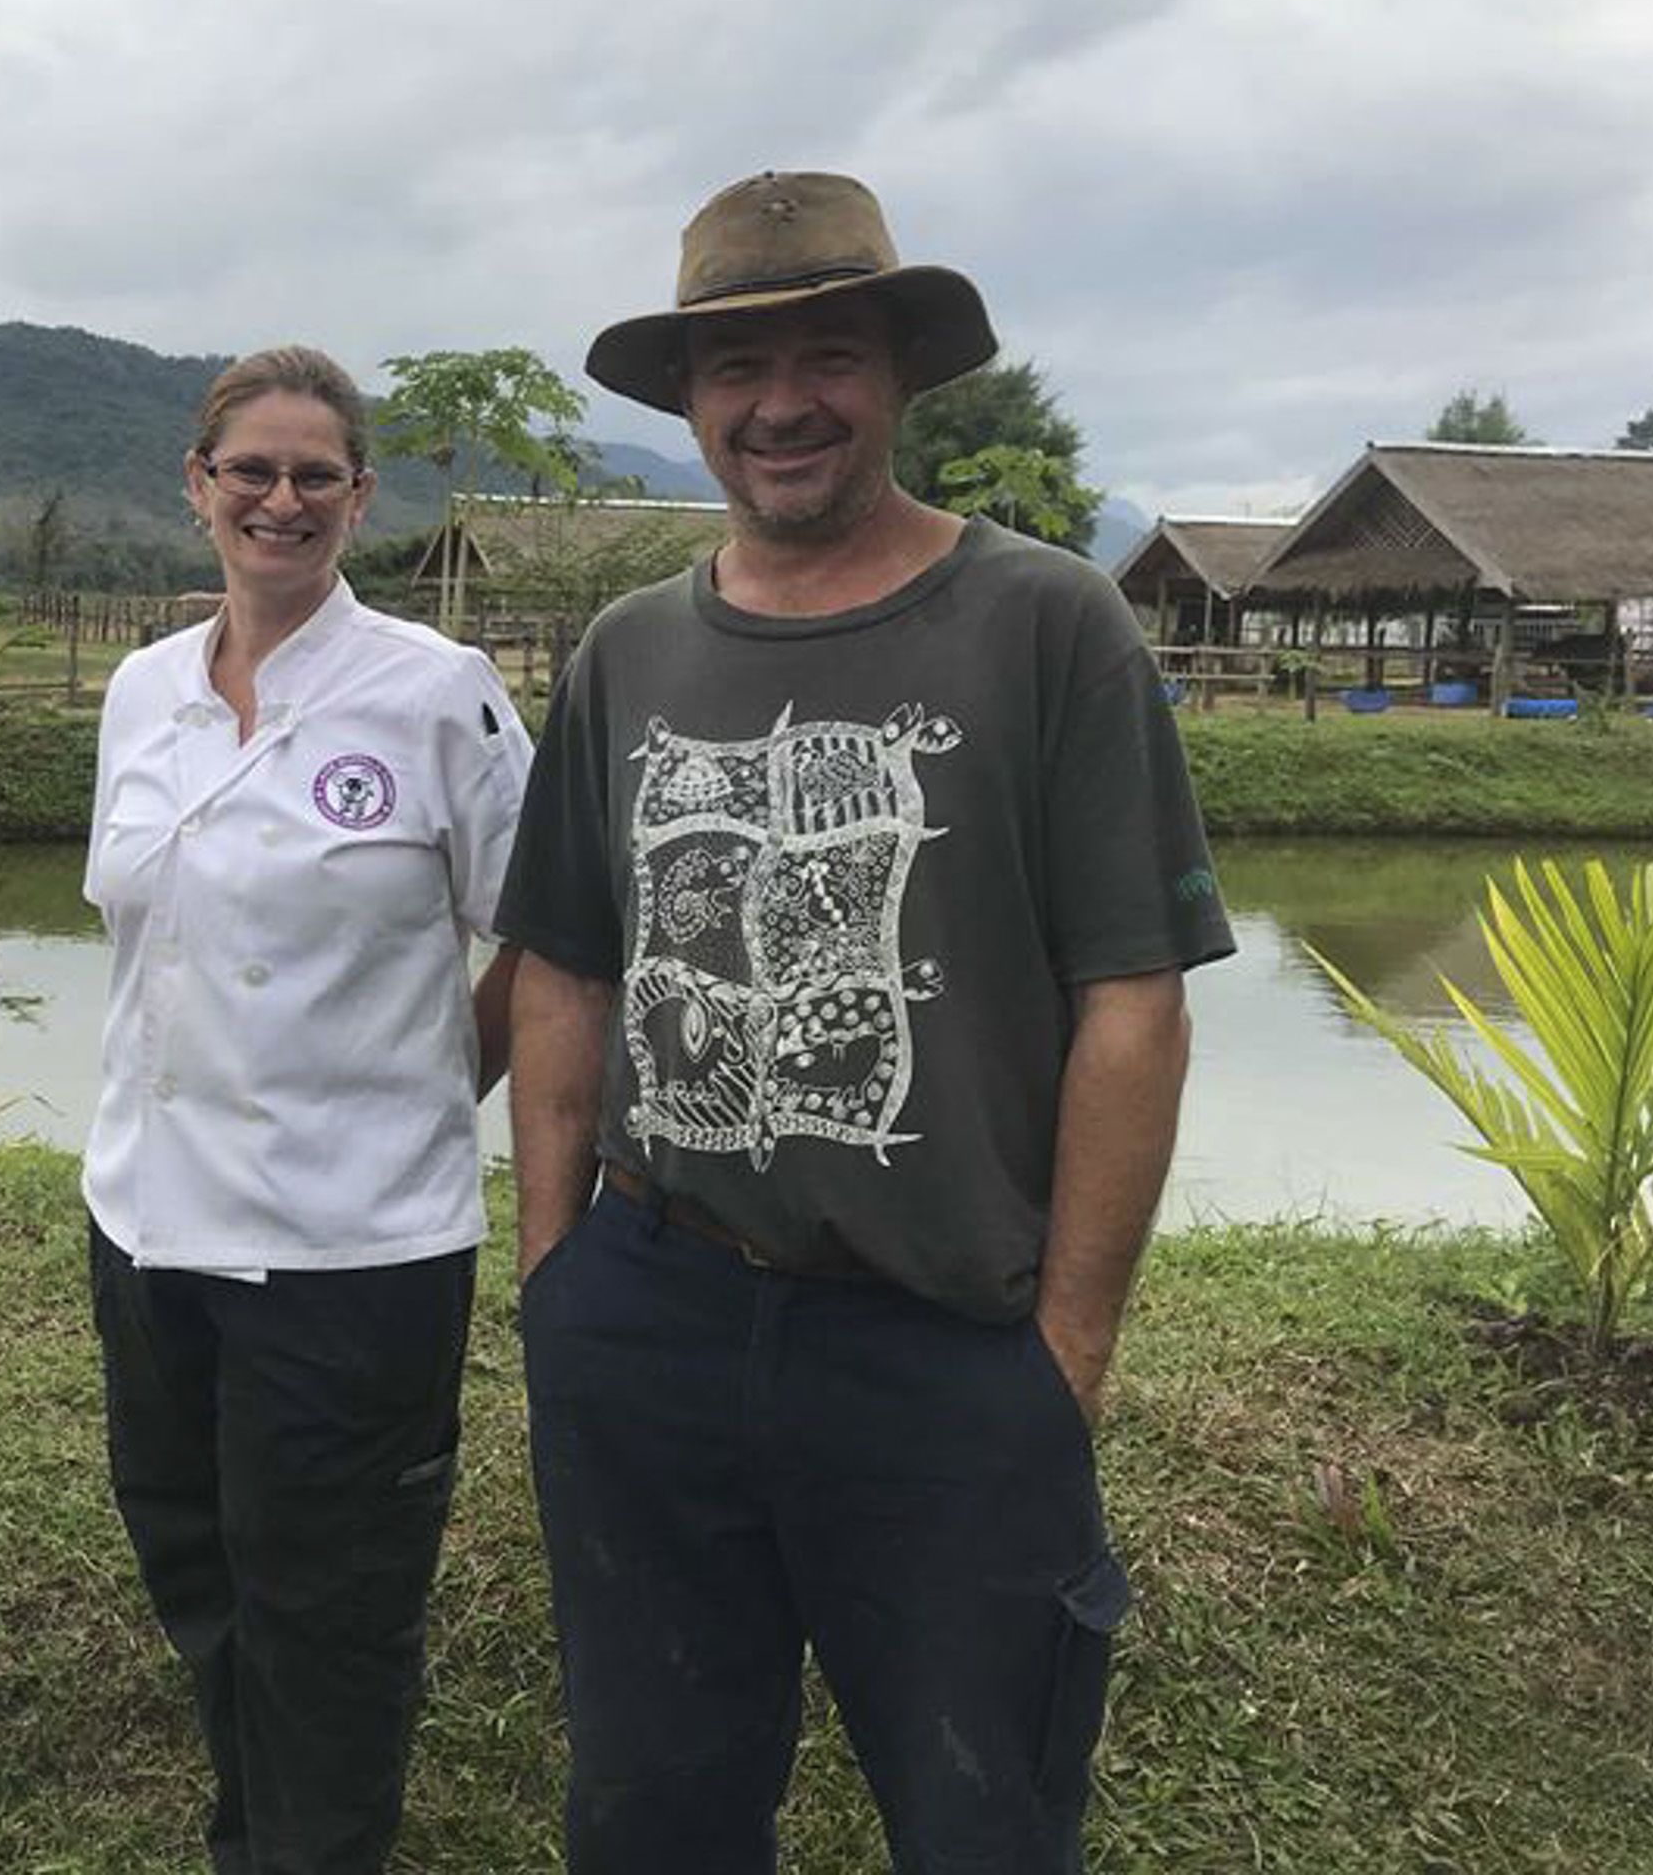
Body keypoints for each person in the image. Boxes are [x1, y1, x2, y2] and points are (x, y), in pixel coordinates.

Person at [497, 173, 1237, 1873]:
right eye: (732, 370)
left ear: (900, 372)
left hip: (950, 1354)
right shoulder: (627, 653)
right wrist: (560, 1284)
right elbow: (564, 976)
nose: (778, 405)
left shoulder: (1050, 624)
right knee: (650, 1811)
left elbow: (1132, 1005)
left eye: (826, 352)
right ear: (687, 402)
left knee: (984, 1820)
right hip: (655, 1316)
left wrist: (1064, 1358)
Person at [84, 345, 532, 1875]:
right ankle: (252, 1834)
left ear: (360, 496)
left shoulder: (433, 693)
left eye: (314, 475)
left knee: (330, 1618)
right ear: (197, 484)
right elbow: (147, 944)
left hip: (352, 1256)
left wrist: (429, 1082)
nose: (281, 500)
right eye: (251, 471)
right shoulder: (143, 688)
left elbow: (540, 931)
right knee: (198, 1565)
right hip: (146, 1227)